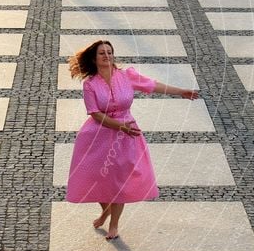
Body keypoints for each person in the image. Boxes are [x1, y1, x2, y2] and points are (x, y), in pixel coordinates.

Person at [65, 40, 199, 240]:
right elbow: (95, 114)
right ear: (94, 58)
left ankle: (114, 224)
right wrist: (120, 126)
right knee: (97, 179)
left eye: (109, 52)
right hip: (97, 136)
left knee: (120, 180)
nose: (107, 56)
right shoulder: (90, 84)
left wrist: (180, 92)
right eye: (102, 53)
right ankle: (106, 209)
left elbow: (152, 85)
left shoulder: (126, 76)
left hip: (127, 136)